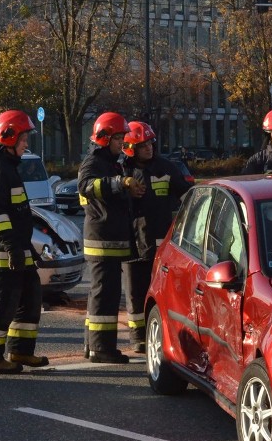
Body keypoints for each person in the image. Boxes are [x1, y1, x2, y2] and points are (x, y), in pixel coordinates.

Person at [0, 109, 48, 374]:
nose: (26, 144)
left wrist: (25, 249)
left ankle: (20, 351)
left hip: (18, 249)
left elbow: (16, 213)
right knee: (1, 303)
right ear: (8, 137)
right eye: (23, 139)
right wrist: (12, 248)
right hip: (5, 252)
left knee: (30, 297)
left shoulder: (9, 167)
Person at [77, 112, 146, 363]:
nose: (122, 142)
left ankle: (92, 345)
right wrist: (120, 183)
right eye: (118, 137)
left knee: (103, 295)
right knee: (104, 296)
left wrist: (129, 190)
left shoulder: (110, 162)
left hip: (110, 240)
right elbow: (86, 186)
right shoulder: (94, 162)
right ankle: (101, 349)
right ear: (104, 138)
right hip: (102, 240)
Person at [122, 121, 191, 352]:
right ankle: (138, 337)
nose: (149, 148)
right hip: (133, 240)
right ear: (131, 147)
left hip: (161, 242)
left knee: (162, 289)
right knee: (135, 291)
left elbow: (186, 196)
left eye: (150, 143)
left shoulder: (166, 168)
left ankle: (163, 332)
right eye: (142, 145)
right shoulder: (123, 171)